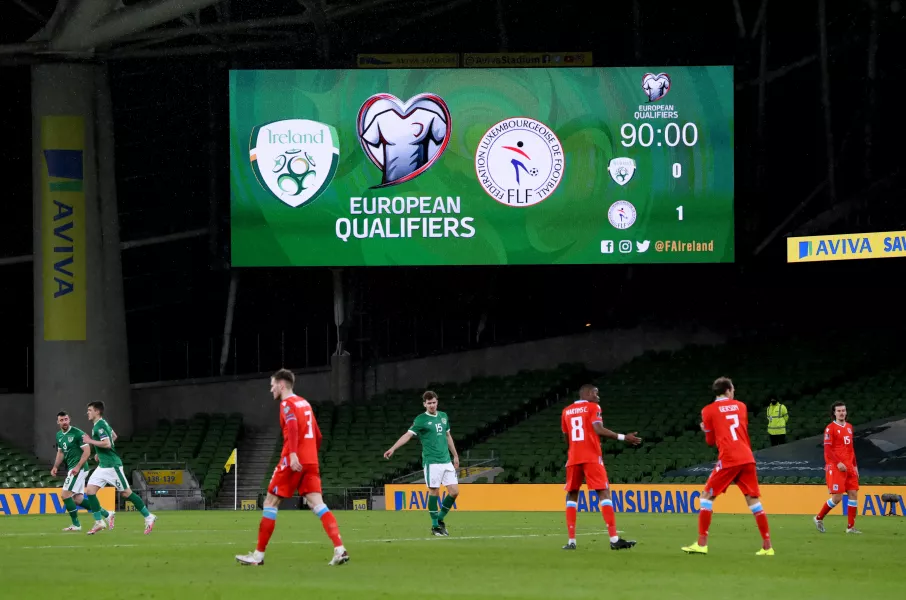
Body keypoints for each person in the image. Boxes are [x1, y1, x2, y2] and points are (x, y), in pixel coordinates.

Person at [236, 369, 348, 566]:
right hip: (311, 460)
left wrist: (295, 454)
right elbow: (319, 436)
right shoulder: (304, 403)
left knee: (270, 502)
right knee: (317, 504)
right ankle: (339, 549)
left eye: (272, 385)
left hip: (292, 460)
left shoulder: (287, 404)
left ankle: (258, 556)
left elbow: (293, 426)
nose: (271, 389)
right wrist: (309, 457)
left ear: (281, 385)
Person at [682, 377, 774, 556]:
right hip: (747, 457)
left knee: (706, 497)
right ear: (728, 390)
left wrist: (706, 429)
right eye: (733, 389)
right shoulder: (741, 406)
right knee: (753, 500)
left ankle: (701, 543)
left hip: (729, 458)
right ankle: (767, 546)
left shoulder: (708, 410)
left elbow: (710, 441)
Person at [561, 384, 641, 551]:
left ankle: (571, 542)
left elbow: (566, 438)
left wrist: (575, 450)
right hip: (591, 456)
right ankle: (614, 539)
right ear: (588, 393)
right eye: (596, 393)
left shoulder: (566, 411)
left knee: (572, 494)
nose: (598, 396)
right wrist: (623, 437)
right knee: (604, 492)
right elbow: (598, 429)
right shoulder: (593, 407)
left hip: (573, 457)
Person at [384, 391, 459, 536]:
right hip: (432, 462)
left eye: (434, 402)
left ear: (437, 402)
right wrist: (393, 448)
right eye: (429, 403)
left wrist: (455, 455)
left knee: (455, 492)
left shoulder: (443, 416)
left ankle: (440, 519)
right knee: (434, 491)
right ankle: (435, 526)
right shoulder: (421, 419)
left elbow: (448, 436)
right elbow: (408, 435)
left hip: (446, 460)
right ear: (424, 404)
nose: (432, 405)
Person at [82, 401, 157, 535]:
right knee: (90, 491)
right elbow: (114, 436)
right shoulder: (101, 424)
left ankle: (148, 516)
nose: (87, 412)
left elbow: (108, 443)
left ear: (97, 411)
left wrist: (90, 442)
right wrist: (100, 453)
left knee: (126, 493)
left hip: (112, 466)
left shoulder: (99, 426)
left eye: (89, 410)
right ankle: (99, 521)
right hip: (103, 465)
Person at [51, 411, 103, 531]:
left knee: (65, 495)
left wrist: (78, 467)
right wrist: (55, 466)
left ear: (69, 420)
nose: (64, 422)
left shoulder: (77, 433)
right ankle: (106, 513)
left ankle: (76, 525)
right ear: (58, 422)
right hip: (73, 468)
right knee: (77, 499)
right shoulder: (59, 435)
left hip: (78, 468)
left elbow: (87, 451)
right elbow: (60, 452)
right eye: (62, 420)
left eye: (66, 419)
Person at [813, 401, 860, 534]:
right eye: (839, 411)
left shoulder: (849, 427)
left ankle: (850, 527)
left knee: (853, 494)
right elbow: (827, 448)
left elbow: (851, 449)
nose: (841, 413)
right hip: (836, 466)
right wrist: (838, 462)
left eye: (843, 410)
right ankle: (818, 518)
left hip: (849, 466)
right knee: (837, 498)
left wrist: (855, 466)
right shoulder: (830, 428)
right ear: (834, 413)